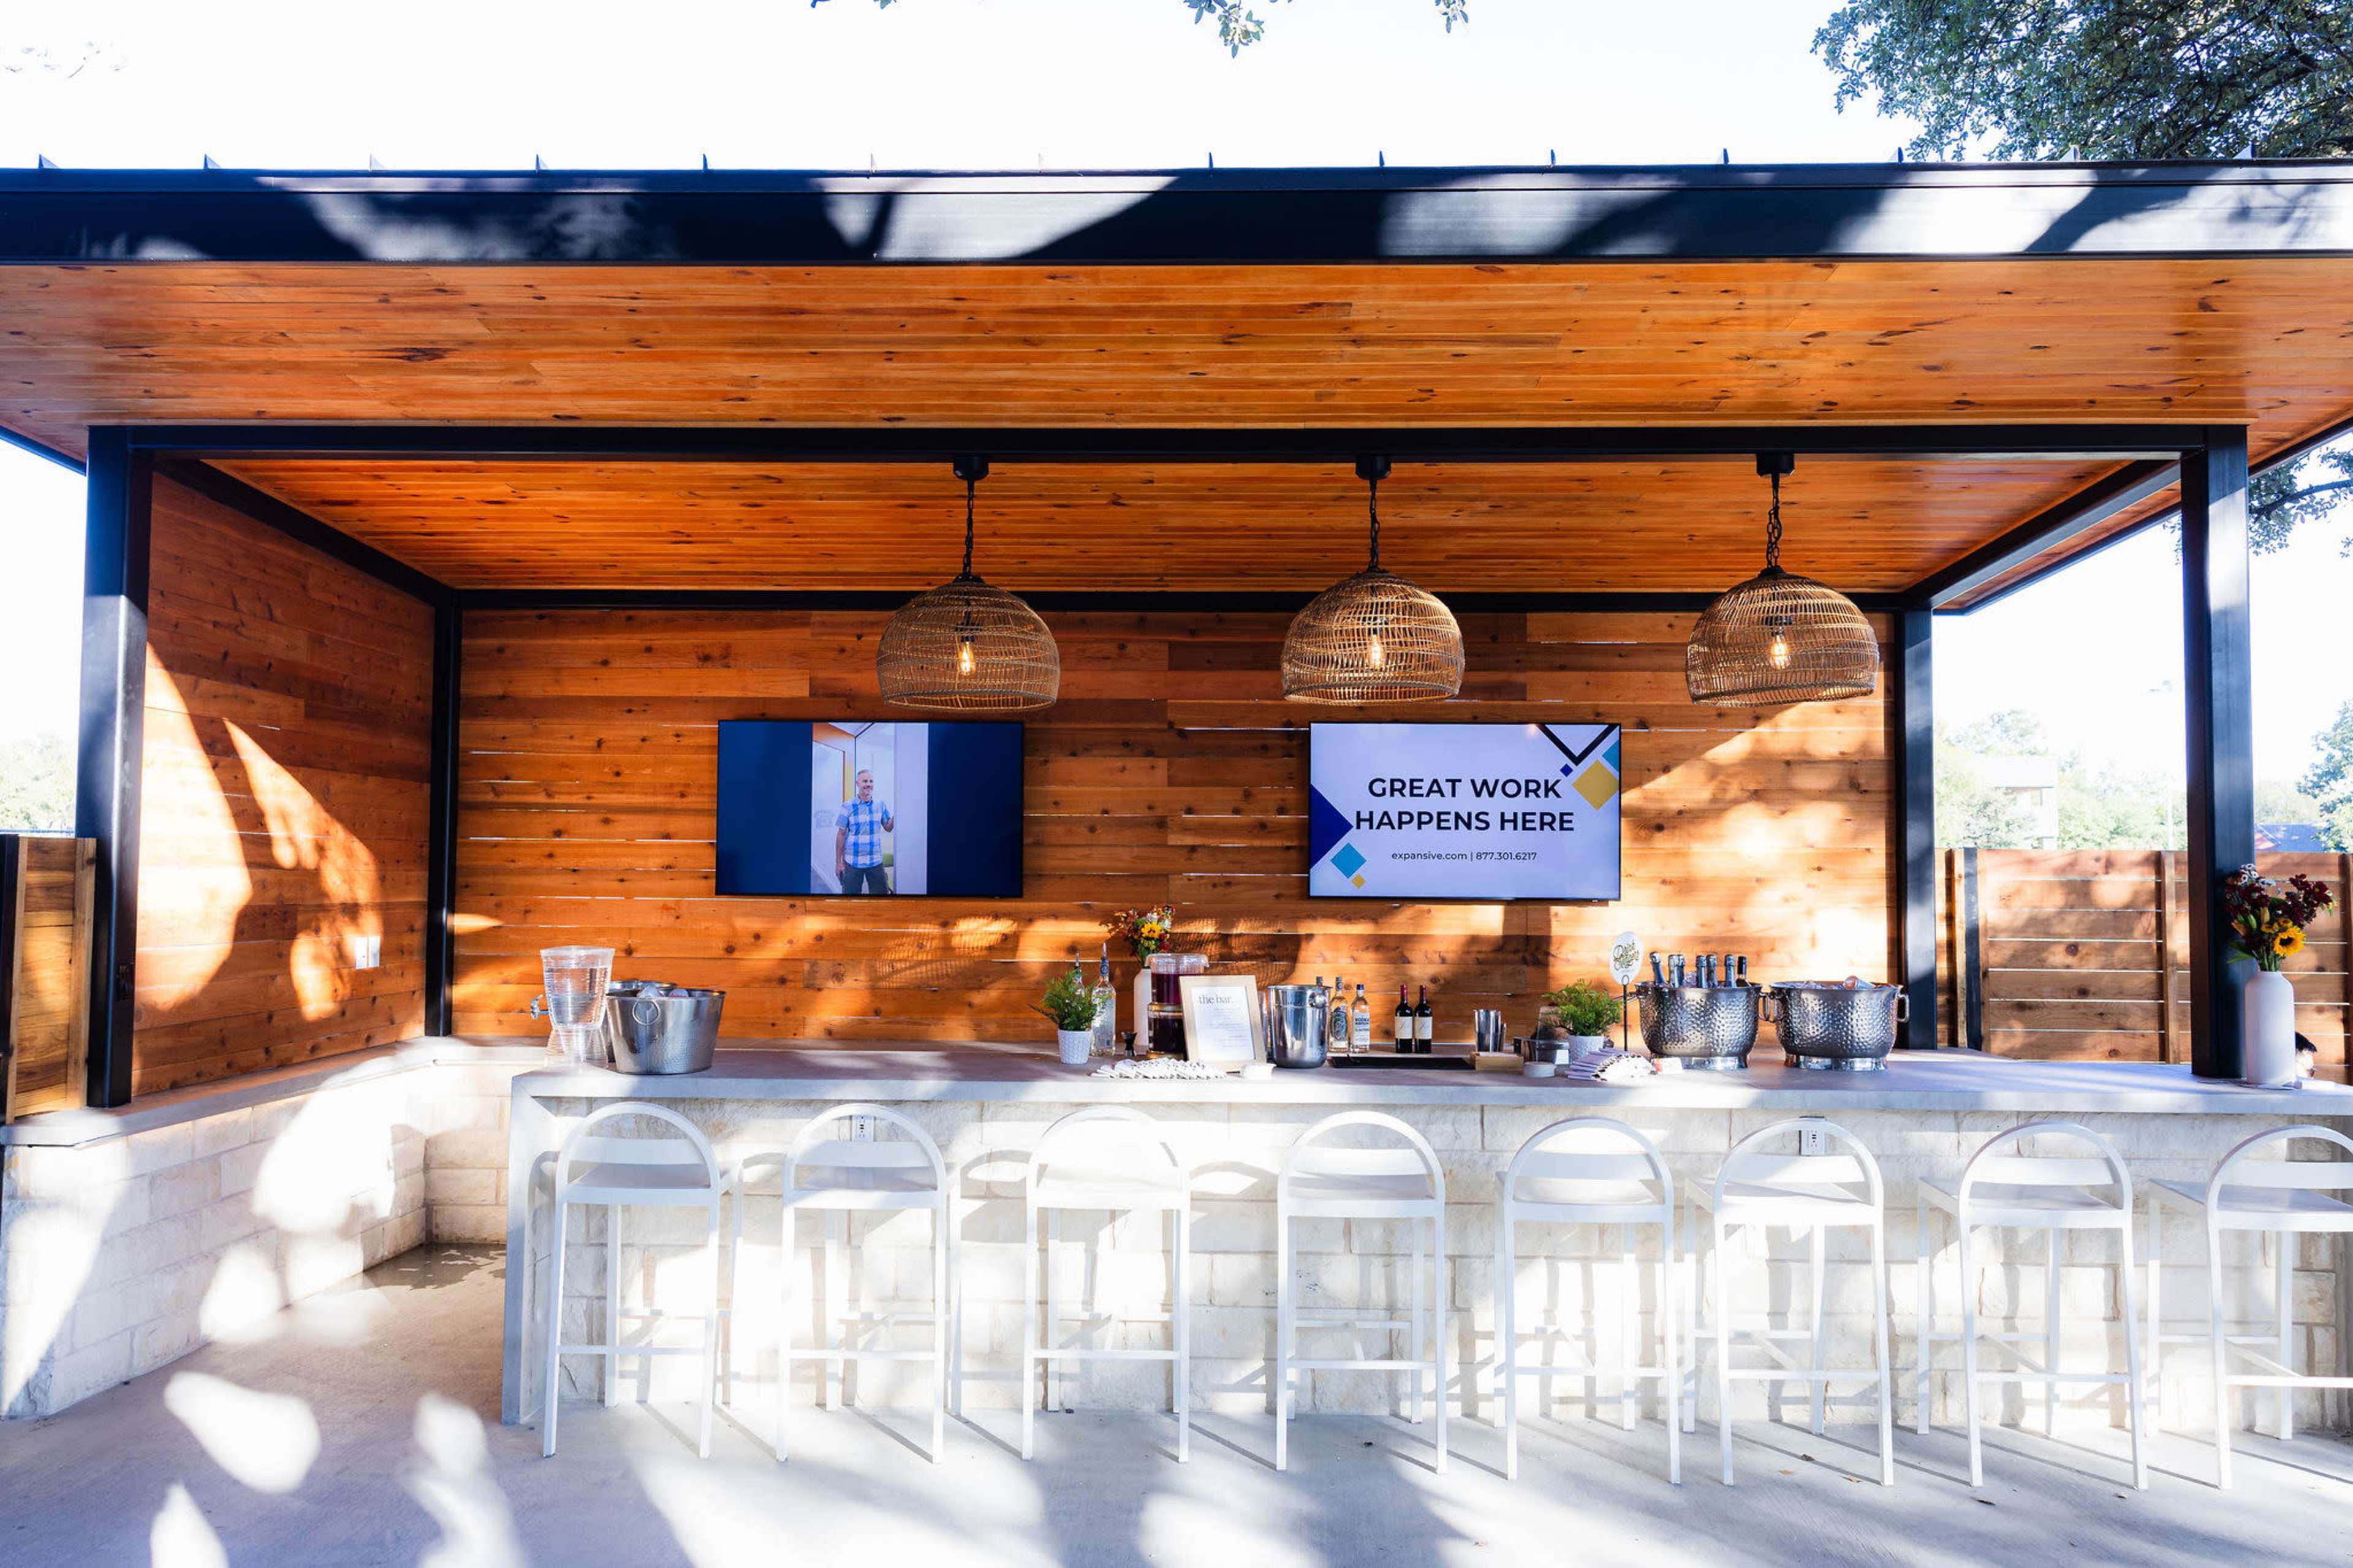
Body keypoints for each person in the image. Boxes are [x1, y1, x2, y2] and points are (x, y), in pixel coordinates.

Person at [834, 769, 894, 895]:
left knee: (881, 900)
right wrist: (838, 863)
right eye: (865, 781)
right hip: (853, 862)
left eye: (871, 781)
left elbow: (888, 827)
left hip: (875, 861)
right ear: (858, 784)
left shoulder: (880, 805)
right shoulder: (847, 806)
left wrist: (899, 810)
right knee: (851, 901)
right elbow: (841, 835)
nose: (868, 784)